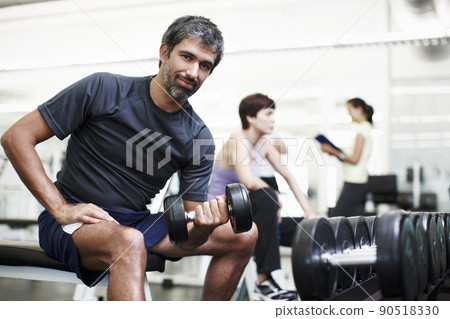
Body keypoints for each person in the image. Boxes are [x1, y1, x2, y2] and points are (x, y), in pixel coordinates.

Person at [1, 15, 258, 301]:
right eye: (187, 57)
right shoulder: (103, 89)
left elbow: (187, 233)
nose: (193, 72)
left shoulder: (199, 137)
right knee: (129, 242)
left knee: (244, 235)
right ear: (164, 52)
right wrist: (60, 209)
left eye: (205, 66)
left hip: (135, 221)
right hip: (74, 221)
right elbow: (16, 137)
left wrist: (203, 226)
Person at [207, 93, 314, 301]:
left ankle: (314, 288)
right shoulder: (237, 139)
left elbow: (290, 177)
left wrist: (310, 213)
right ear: (250, 118)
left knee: (307, 230)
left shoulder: (264, 144)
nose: (273, 119)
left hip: (248, 215)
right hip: (224, 215)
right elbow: (247, 180)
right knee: (266, 195)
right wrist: (274, 195)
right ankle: (263, 282)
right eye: (268, 114)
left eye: (274, 114)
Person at [320, 97, 374, 217]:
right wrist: (334, 152)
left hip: (355, 180)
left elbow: (354, 159)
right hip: (355, 179)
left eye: (350, 110)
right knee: (349, 218)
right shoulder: (365, 128)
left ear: (359, 109)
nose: (348, 113)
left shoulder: (362, 129)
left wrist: (332, 151)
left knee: (337, 218)